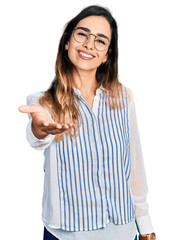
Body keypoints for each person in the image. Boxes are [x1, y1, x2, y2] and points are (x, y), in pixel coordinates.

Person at [18, 5, 156, 240]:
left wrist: (145, 225)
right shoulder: (44, 102)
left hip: (123, 232)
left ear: (107, 55)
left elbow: (134, 166)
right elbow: (38, 136)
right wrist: (39, 129)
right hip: (66, 235)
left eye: (101, 40)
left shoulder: (123, 98)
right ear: (67, 42)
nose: (89, 44)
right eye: (82, 34)